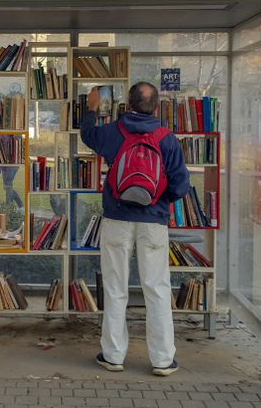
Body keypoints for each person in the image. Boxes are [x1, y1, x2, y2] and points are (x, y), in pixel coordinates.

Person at [80, 82, 190, 377]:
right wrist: (157, 198)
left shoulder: (113, 132)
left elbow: (88, 135)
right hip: (153, 222)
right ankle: (163, 360)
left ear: (127, 105)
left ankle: (114, 355)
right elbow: (181, 185)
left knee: (115, 289)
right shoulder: (167, 139)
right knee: (156, 289)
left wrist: (91, 108)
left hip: (116, 219)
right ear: (156, 107)